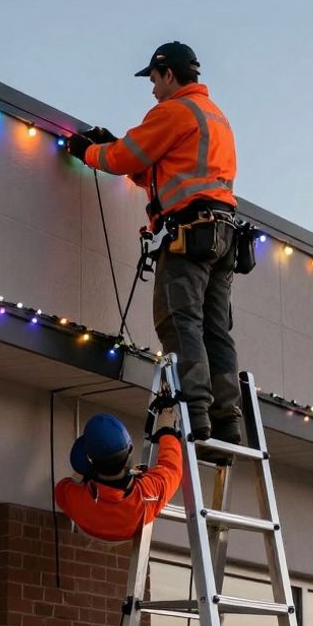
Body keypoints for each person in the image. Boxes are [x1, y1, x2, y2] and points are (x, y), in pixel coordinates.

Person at [66, 41, 243, 444]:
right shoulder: (215, 117)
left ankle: (195, 412)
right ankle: (227, 421)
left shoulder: (174, 111)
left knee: (180, 322)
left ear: (169, 74)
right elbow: (157, 171)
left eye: (154, 78)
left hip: (189, 235)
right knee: (216, 330)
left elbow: (124, 158)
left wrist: (88, 151)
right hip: (223, 236)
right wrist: (116, 146)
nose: (152, 88)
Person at [55, 405, 184, 542]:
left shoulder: (73, 498)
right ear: (129, 450)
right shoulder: (146, 495)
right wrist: (166, 430)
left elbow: (62, 487)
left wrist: (81, 479)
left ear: (90, 462)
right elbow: (171, 468)